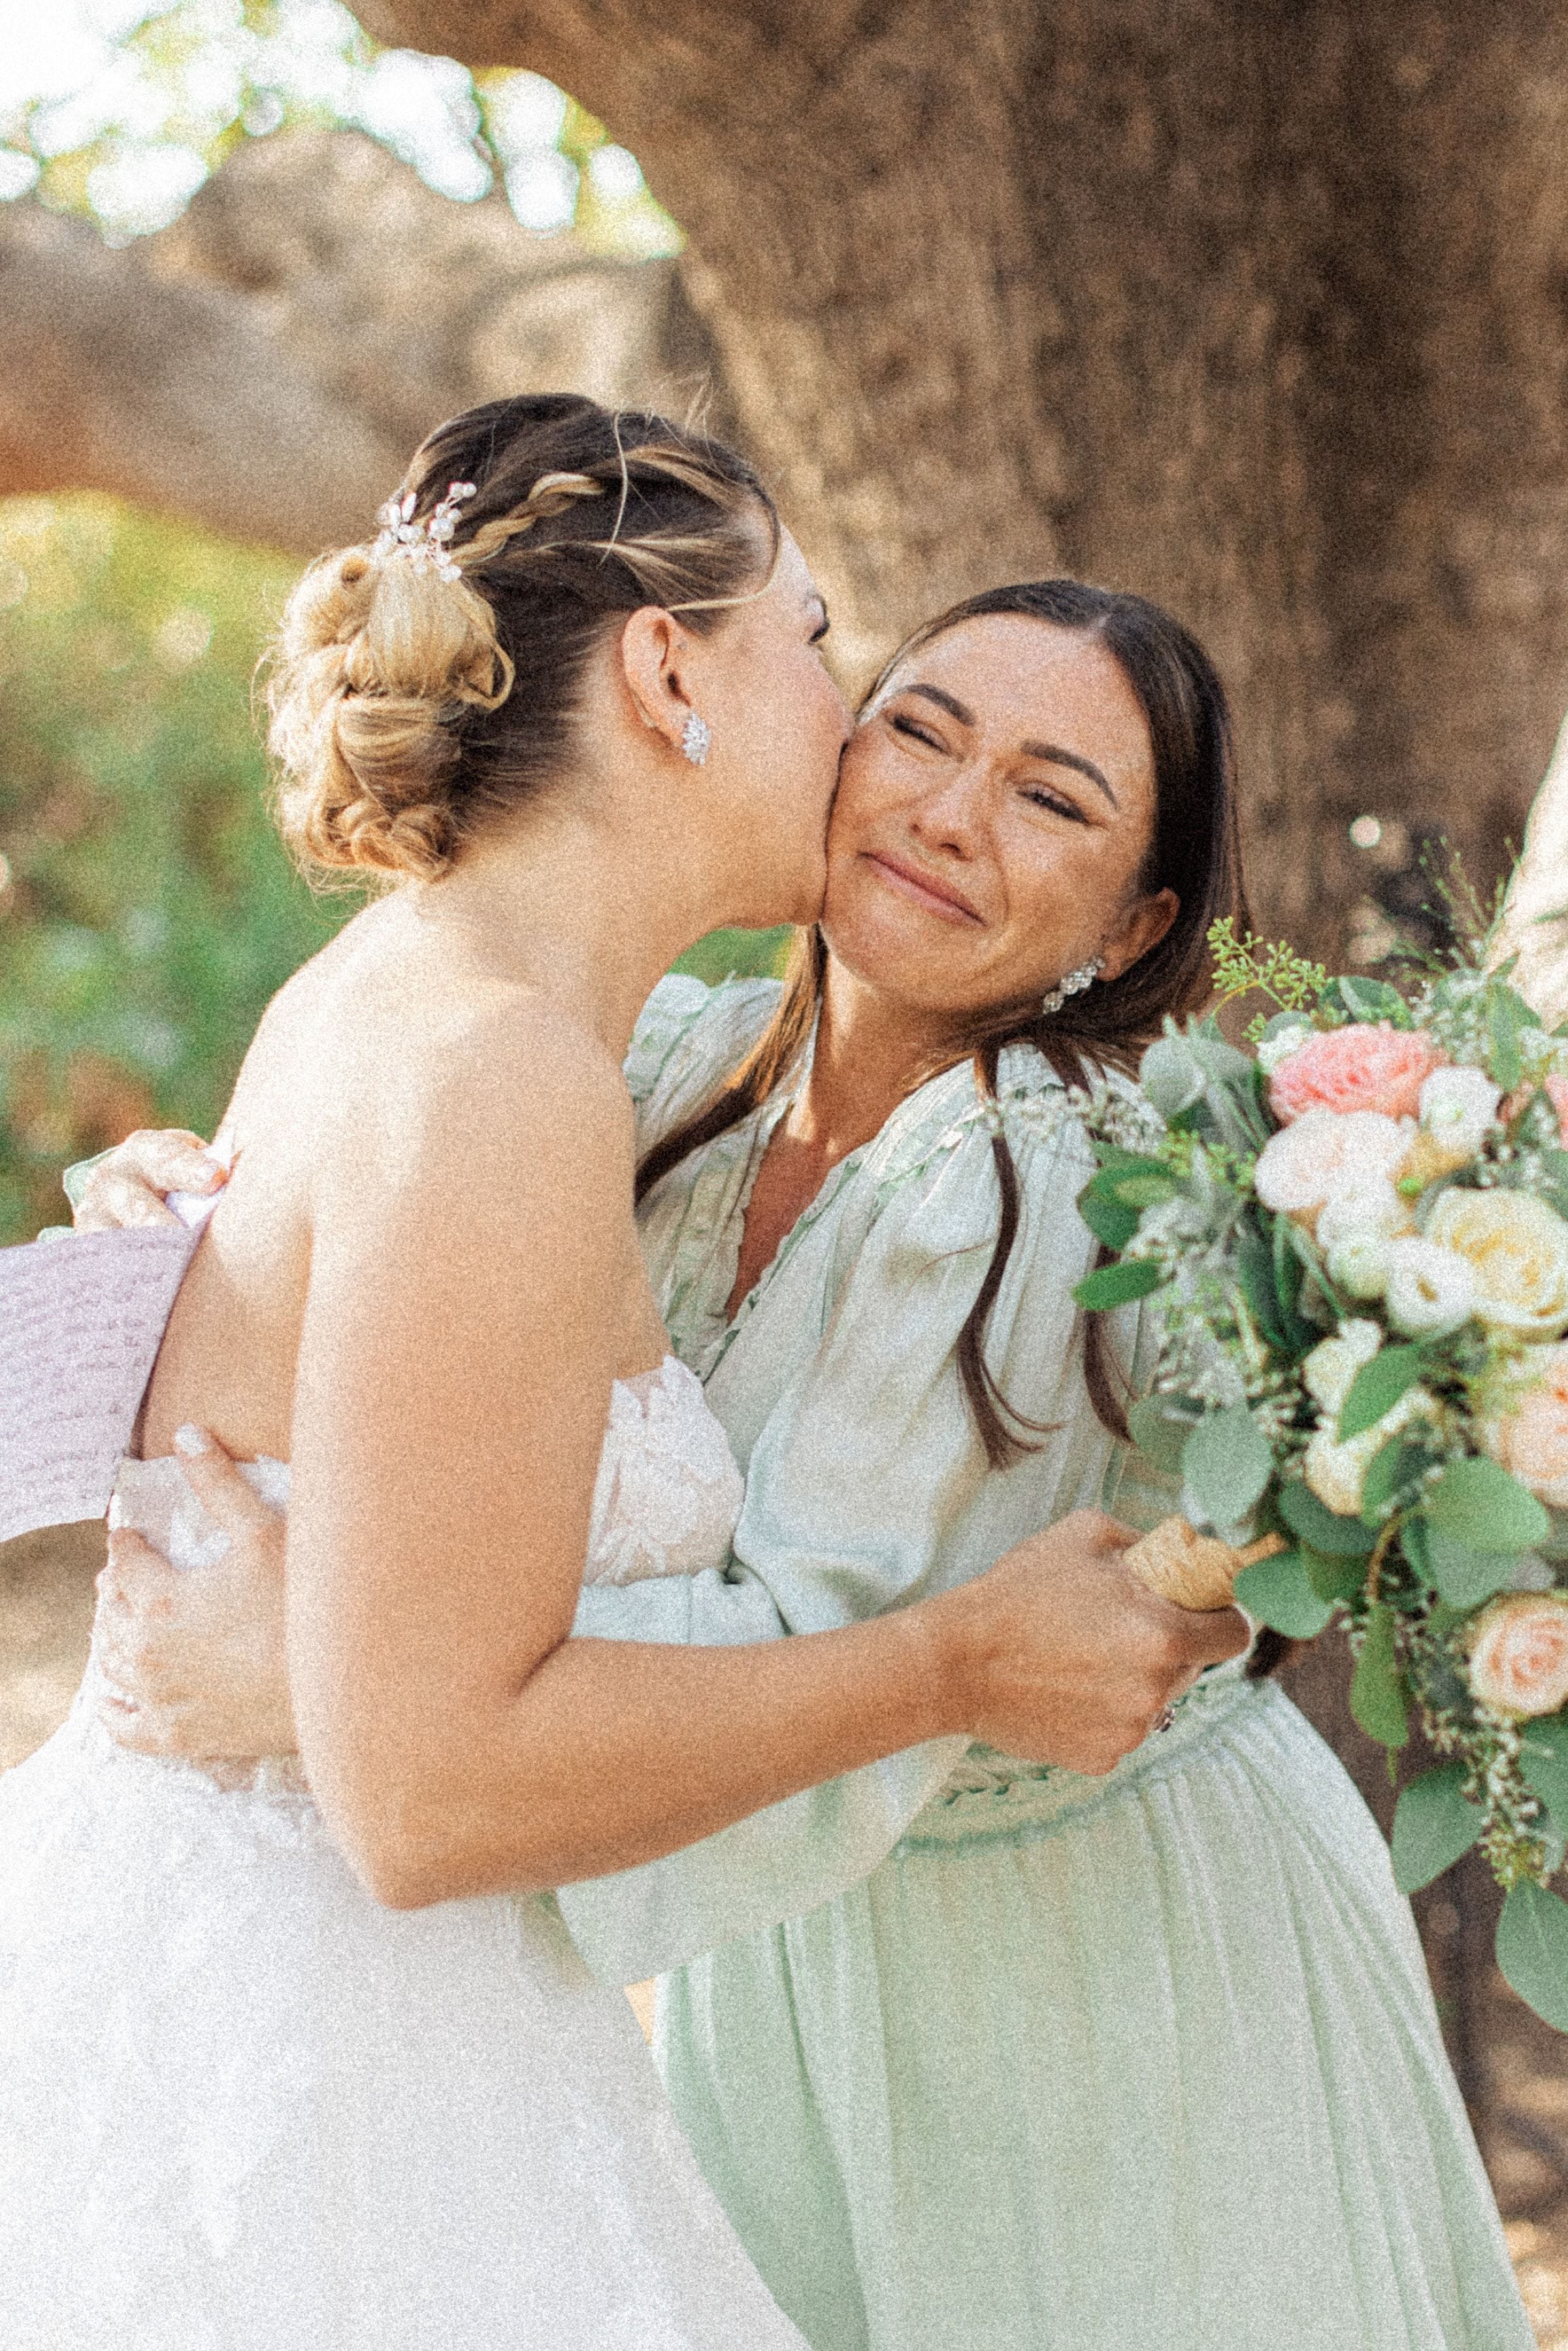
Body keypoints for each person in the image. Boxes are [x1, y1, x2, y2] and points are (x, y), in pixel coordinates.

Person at [78, 578, 1530, 2349]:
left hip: (1093, 1972)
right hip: (787, 1966)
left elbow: (784, 1648)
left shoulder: (1047, 1189)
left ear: (1135, 920)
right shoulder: (677, 1067)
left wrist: (322, 1678)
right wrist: (236, 1215)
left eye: (1052, 797)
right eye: (920, 729)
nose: (948, 811)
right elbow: (446, 1344)